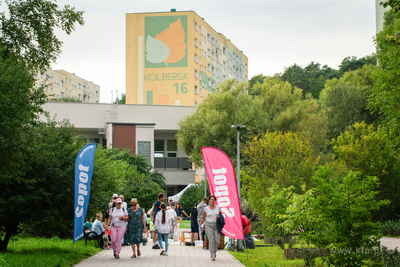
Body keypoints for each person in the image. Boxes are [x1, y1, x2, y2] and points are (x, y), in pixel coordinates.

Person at [201, 195, 221, 261]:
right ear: (209, 200)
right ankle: (212, 255)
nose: (212, 201)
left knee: (217, 241)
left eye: (213, 199)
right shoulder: (206, 209)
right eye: (211, 199)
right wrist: (202, 227)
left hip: (216, 225)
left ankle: (214, 252)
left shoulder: (218, 208)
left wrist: (219, 217)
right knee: (211, 240)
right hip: (208, 225)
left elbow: (221, 216)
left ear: (215, 201)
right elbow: (203, 218)